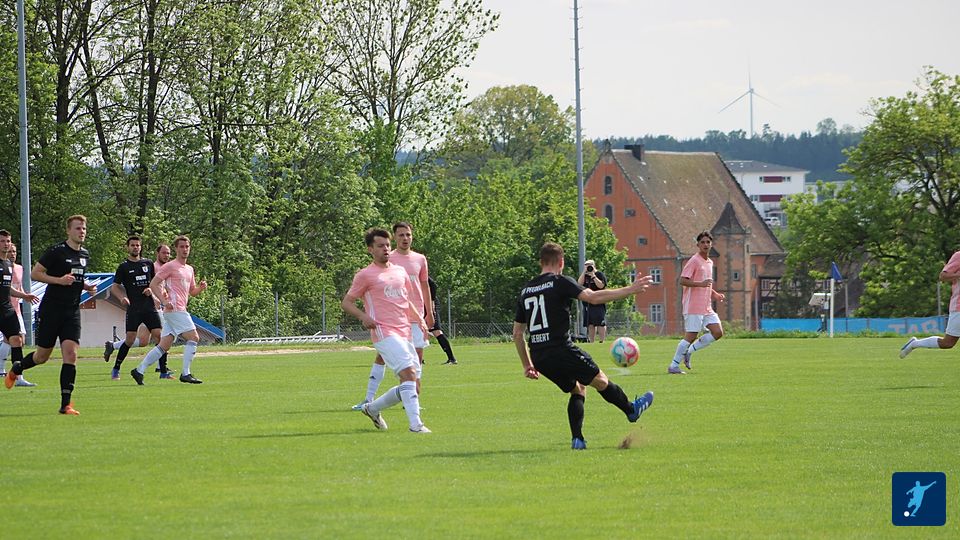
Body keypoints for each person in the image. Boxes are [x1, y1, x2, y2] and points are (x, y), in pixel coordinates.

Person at [513, 242, 654, 450]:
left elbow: (517, 333)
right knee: (601, 380)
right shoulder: (559, 282)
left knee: (578, 389)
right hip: (561, 349)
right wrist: (630, 290)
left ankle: (577, 440)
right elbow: (593, 297)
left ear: (540, 262)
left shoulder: (526, 290)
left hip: (539, 357)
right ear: (561, 262)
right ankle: (631, 410)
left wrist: (527, 365)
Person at [4, 216, 97, 415]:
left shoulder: (85, 254)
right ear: (68, 231)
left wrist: (86, 286)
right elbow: (35, 274)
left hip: (72, 312)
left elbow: (75, 278)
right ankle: (17, 369)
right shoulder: (57, 251)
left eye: (84, 228)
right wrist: (59, 280)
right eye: (78, 228)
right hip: (52, 310)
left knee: (71, 354)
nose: (82, 231)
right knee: (42, 356)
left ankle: (66, 405)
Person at [342, 227, 430, 433]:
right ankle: (416, 425)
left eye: (388, 245)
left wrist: (420, 320)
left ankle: (372, 409)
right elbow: (346, 302)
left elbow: (405, 300)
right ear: (370, 249)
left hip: (405, 331)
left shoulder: (399, 271)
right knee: (408, 373)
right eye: (380, 246)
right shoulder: (365, 275)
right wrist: (363, 316)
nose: (386, 249)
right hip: (384, 332)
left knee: (410, 381)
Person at [130, 235, 207, 385]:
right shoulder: (170, 266)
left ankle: (139, 370)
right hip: (175, 309)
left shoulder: (189, 269)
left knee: (164, 345)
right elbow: (153, 284)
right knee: (194, 337)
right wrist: (164, 301)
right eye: (181, 247)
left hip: (177, 310)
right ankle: (186, 373)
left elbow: (192, 292)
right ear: (176, 249)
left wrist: (201, 288)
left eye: (187, 246)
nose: (185, 249)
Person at [104, 236, 171, 380]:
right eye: (133, 245)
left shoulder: (147, 263)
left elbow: (154, 282)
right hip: (134, 308)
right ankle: (116, 369)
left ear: (140, 247)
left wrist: (151, 290)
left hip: (149, 307)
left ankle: (163, 372)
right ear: (127, 247)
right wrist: (122, 297)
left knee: (160, 337)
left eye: (137, 245)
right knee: (130, 340)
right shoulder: (124, 267)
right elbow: (114, 287)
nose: (135, 247)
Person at [667, 231, 725, 374]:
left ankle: (689, 352)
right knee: (691, 336)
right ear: (698, 245)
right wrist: (701, 284)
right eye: (702, 242)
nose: (705, 244)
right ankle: (673, 365)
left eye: (708, 242)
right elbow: (682, 280)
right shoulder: (694, 260)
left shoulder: (709, 262)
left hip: (706, 307)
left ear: (711, 244)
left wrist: (715, 294)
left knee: (718, 332)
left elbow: (707, 284)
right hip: (693, 306)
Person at [900, 249, 960, 358]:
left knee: (948, 343)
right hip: (959, 307)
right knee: (948, 343)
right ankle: (915, 344)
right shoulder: (958, 256)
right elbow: (943, 276)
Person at [0, 242, 39, 387]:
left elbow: (8, 288)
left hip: (7, 309)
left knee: (17, 340)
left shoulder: (9, 265)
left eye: (7, 241)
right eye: (2, 241)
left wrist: (24, 295)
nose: (6, 244)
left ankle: (18, 377)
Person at [427, 276, 458, 365]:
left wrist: (432, 302)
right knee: (416, 330)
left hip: (430, 304)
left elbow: (433, 285)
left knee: (436, 331)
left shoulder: (418, 272)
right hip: (419, 304)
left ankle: (452, 358)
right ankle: (418, 359)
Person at [577, 259, 608, 342]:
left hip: (598, 302)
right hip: (587, 303)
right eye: (586, 265)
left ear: (594, 265)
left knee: (600, 322)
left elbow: (601, 286)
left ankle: (602, 340)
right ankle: (592, 341)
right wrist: (584, 272)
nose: (588, 267)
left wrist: (593, 276)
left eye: (590, 265)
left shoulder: (599, 274)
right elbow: (579, 284)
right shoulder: (584, 276)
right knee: (590, 324)